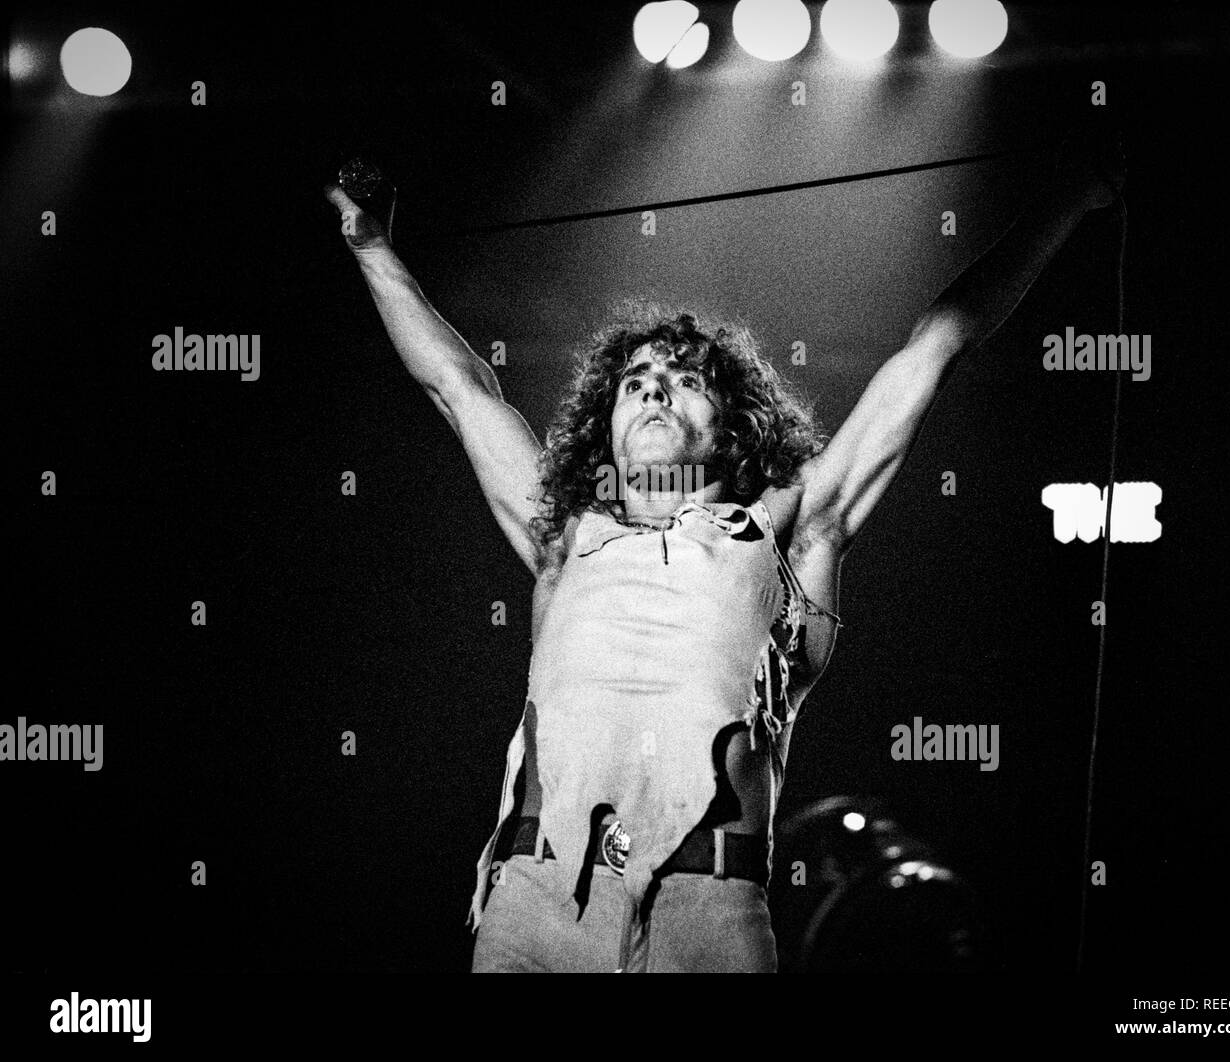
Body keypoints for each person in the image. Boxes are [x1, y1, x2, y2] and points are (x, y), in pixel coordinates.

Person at [323, 134, 1123, 972]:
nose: (652, 390)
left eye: (681, 379)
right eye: (634, 383)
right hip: (538, 910)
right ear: (609, 427)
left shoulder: (790, 532)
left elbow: (937, 344)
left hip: (706, 920)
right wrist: (375, 250)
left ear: (732, 426)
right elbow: (458, 386)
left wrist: (1067, 200)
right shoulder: (566, 541)